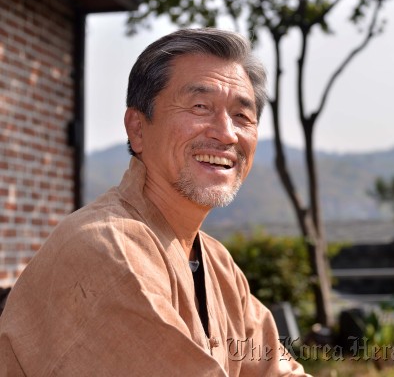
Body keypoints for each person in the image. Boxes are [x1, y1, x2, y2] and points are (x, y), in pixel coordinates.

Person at [0, 28, 310, 376]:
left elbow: (277, 369)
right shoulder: (106, 248)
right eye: (200, 106)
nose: (226, 133)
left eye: (242, 116)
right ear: (137, 127)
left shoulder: (219, 267)